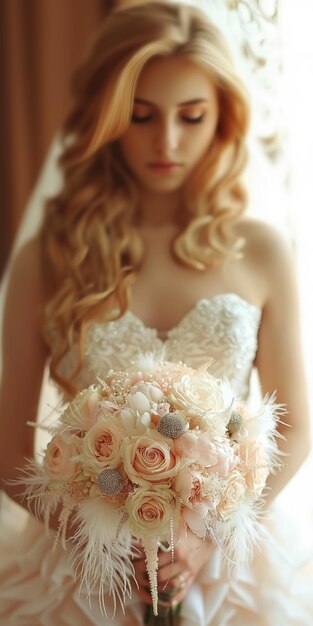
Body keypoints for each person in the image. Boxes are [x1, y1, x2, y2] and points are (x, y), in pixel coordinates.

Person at [0, 2, 312, 625]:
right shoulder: (50, 255)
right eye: (140, 116)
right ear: (105, 116)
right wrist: (107, 546)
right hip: (81, 568)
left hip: (234, 564)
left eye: (190, 117)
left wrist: (209, 536)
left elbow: (295, 428)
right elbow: (10, 453)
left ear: (222, 118)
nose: (166, 141)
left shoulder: (263, 249)